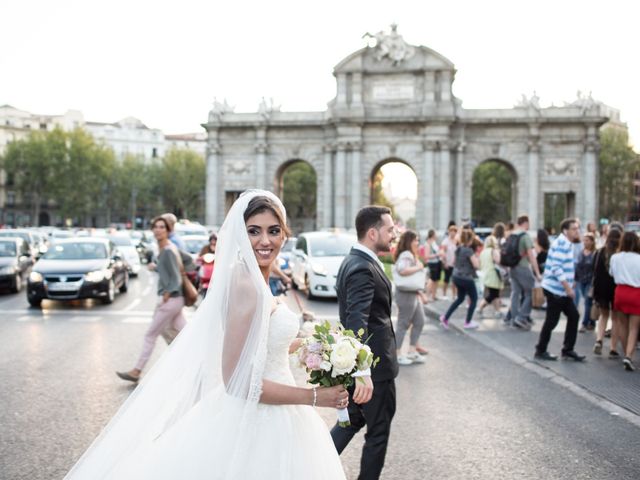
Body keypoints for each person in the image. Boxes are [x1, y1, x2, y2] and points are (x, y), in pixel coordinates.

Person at [67, 191, 348, 479]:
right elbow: (237, 381)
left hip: (281, 413)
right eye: (254, 231)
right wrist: (314, 396)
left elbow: (263, 345)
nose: (265, 241)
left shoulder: (255, 278)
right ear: (240, 234)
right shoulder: (245, 285)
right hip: (255, 421)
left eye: (274, 231)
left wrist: (317, 348)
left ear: (284, 235)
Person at [331, 205, 398, 480]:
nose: (395, 234)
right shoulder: (362, 267)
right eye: (390, 229)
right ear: (373, 233)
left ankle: (306, 467)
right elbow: (356, 322)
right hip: (373, 370)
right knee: (378, 433)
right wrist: (362, 372)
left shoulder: (355, 260)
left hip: (362, 366)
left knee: (351, 422)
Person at [116, 216, 187, 382]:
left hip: (171, 300)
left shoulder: (168, 250)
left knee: (150, 335)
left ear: (168, 230)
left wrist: (166, 295)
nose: (158, 230)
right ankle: (195, 360)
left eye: (162, 227)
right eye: (155, 227)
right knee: (186, 333)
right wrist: (157, 268)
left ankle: (136, 370)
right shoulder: (165, 248)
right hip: (176, 300)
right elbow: (183, 264)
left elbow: (176, 279)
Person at [534, 218, 586, 362]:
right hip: (556, 290)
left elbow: (563, 266)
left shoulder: (566, 243)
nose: (577, 231)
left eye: (577, 228)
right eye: (574, 229)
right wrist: (568, 287)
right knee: (552, 321)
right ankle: (541, 350)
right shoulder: (562, 243)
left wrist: (570, 283)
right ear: (565, 231)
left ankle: (567, 350)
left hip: (560, 290)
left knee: (573, 316)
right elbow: (557, 268)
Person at [393, 230, 428, 365]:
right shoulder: (406, 255)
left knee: (419, 320)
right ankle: (397, 354)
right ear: (409, 241)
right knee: (403, 323)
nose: (418, 243)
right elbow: (402, 270)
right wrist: (418, 268)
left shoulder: (410, 254)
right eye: (416, 240)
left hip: (412, 293)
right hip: (405, 294)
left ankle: (412, 351)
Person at [609, 232, 640, 371]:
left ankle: (625, 352)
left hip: (620, 291)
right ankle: (629, 355)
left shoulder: (615, 257)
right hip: (636, 293)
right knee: (634, 327)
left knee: (622, 325)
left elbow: (612, 273)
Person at [439, 229, 481, 330]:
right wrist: (477, 258)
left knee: (460, 298)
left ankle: (445, 318)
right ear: (470, 239)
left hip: (456, 276)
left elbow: (454, 262)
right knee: (474, 299)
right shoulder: (469, 250)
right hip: (466, 277)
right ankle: (468, 322)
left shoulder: (458, 248)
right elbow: (476, 265)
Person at [592, 229, 622, 357]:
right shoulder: (620, 254)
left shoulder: (600, 252)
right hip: (616, 288)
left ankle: (599, 340)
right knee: (615, 319)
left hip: (602, 288)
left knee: (603, 316)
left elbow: (595, 271)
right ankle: (613, 347)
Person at [508, 215, 542, 331]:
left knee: (515, 293)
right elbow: (531, 256)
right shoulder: (525, 237)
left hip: (512, 267)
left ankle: (513, 318)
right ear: (526, 223)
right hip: (523, 267)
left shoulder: (512, 235)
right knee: (530, 292)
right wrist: (537, 273)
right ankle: (522, 317)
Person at [478, 235, 504, 319]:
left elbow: (480, 264)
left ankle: (497, 311)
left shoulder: (483, 252)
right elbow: (498, 261)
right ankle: (480, 307)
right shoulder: (493, 251)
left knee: (495, 294)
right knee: (493, 294)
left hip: (486, 275)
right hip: (494, 275)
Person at [575, 233, 596, 332]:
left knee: (587, 302)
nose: (585, 242)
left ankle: (584, 323)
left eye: (587, 240)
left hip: (590, 281)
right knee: (588, 302)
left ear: (592, 242)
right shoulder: (581, 252)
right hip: (581, 280)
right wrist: (575, 280)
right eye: (584, 240)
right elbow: (577, 267)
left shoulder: (595, 253)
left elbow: (596, 269)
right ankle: (592, 322)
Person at [440, 225, 458, 299]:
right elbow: (442, 252)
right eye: (451, 232)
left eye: (454, 232)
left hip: (455, 264)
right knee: (446, 280)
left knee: (454, 281)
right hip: (448, 263)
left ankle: (454, 295)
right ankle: (444, 294)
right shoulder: (445, 241)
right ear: (449, 232)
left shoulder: (457, 241)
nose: (452, 233)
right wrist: (445, 262)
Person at [424, 229, 442, 301]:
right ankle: (427, 296)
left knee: (436, 280)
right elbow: (427, 256)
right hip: (432, 264)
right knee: (431, 280)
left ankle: (434, 295)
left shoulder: (434, 242)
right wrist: (438, 254)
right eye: (435, 233)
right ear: (432, 234)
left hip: (437, 263)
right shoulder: (428, 244)